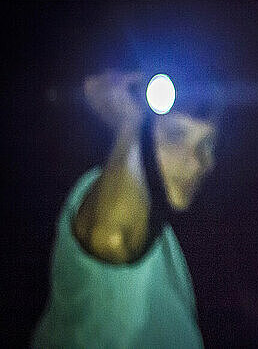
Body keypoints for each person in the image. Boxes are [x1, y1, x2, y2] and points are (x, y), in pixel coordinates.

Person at [32, 71, 216, 348]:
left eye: (207, 143)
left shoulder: (163, 235)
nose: (198, 161)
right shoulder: (100, 196)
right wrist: (128, 122)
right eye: (175, 135)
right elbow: (112, 240)